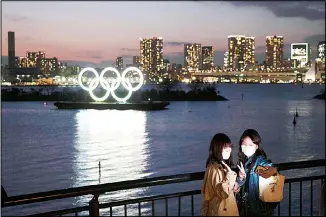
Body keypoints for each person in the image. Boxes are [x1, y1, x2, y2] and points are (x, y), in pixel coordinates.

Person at [236, 129, 278, 216]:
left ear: (257, 146)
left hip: (260, 212)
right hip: (247, 210)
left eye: (251, 144)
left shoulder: (260, 162)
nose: (247, 147)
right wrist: (241, 178)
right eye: (244, 144)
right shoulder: (245, 162)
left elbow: (272, 172)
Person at [201, 133, 239, 216]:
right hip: (220, 209)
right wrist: (230, 175)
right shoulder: (215, 169)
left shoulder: (220, 165)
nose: (229, 151)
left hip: (222, 208)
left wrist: (234, 185)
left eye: (229, 149)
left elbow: (224, 187)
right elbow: (222, 193)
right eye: (226, 149)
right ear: (217, 149)